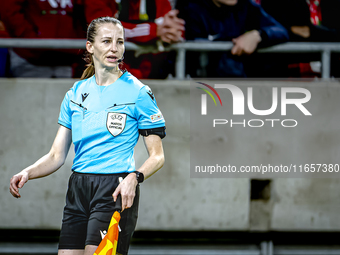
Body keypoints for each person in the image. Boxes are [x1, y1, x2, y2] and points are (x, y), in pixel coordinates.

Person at [9, 16, 166, 255]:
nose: (115, 48)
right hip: (78, 188)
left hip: (114, 188)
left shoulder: (139, 93)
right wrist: (27, 172)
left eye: (120, 42)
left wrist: (135, 177)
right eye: (106, 41)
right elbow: (56, 155)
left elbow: (158, 156)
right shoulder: (75, 93)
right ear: (90, 46)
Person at [178, 0, 289, 77]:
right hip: (200, 92)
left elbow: (281, 31)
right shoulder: (189, 10)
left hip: (238, 89)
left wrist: (258, 35)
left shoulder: (245, 6)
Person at [84, 0, 185, 78]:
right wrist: (152, 31)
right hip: (106, 79)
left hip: (150, 78)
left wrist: (172, 31)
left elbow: (173, 29)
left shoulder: (159, 2)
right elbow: (101, 29)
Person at [0, 0, 86, 78]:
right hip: (29, 57)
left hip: (68, 57)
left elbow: (91, 10)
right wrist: (30, 38)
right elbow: (9, 10)